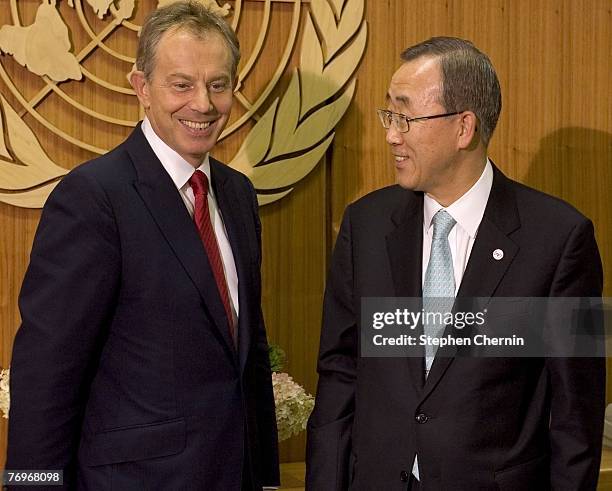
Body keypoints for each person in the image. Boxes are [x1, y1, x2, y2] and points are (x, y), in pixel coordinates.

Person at [306, 37, 605, 490]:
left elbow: (575, 417)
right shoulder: (365, 226)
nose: (391, 133)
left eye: (405, 116)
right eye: (389, 114)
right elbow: (339, 377)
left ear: (464, 127)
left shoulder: (562, 239)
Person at [6, 2, 279, 489]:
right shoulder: (93, 197)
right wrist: (34, 486)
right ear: (141, 88)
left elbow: (249, 355)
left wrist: (268, 480)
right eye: (182, 84)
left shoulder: (237, 194)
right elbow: (46, 372)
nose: (203, 103)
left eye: (219, 85)